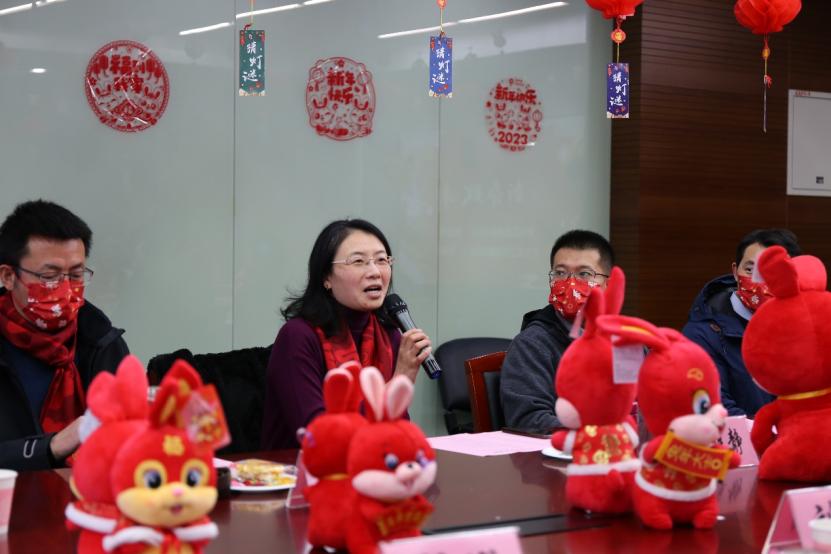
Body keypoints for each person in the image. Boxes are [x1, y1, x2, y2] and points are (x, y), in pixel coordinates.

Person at [261, 219, 432, 449]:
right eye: (358, 261)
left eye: (382, 260)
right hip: (300, 467)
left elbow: (396, 429)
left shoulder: (389, 335)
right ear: (326, 277)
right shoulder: (298, 336)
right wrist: (399, 380)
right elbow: (317, 436)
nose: (375, 272)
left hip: (374, 465)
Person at [0, 200, 129, 470]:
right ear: (8, 276)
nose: (66, 289)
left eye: (76, 275)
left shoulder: (102, 342)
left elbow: (132, 438)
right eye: (50, 276)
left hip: (89, 494)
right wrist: (52, 446)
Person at [500, 230, 615, 434]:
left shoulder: (624, 339)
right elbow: (529, 419)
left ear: (609, 283)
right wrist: (596, 434)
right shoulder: (532, 344)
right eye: (560, 273)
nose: (570, 283)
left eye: (584, 274)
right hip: (562, 451)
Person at [682, 229, 801, 418]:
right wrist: (768, 432)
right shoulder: (703, 333)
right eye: (750, 270)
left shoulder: (806, 328)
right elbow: (716, 407)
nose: (759, 282)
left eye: (772, 271)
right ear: (735, 272)